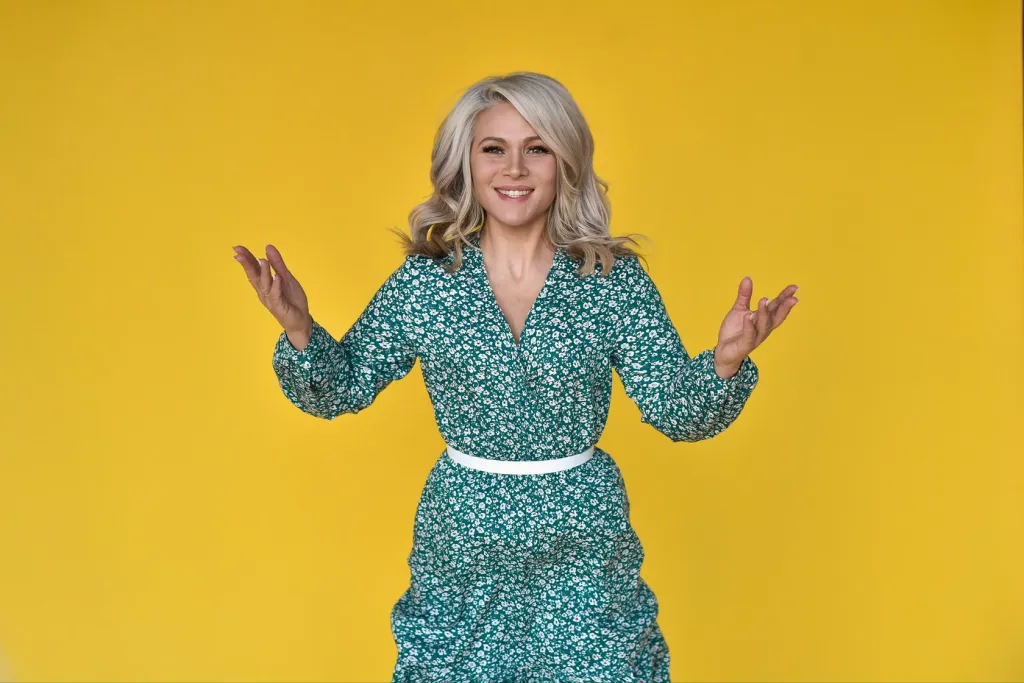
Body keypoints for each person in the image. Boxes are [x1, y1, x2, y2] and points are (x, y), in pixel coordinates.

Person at [232, 72, 798, 683]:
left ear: (565, 162)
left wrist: (724, 362)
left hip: (584, 542)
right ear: (467, 163)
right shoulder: (426, 284)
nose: (515, 169)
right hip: (462, 544)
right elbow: (341, 387)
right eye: (494, 148)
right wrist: (299, 329)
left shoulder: (612, 282)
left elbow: (675, 410)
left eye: (538, 148)